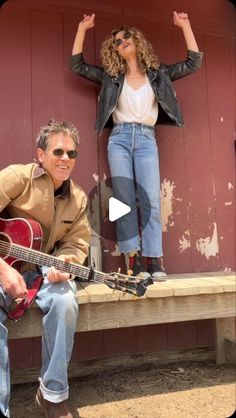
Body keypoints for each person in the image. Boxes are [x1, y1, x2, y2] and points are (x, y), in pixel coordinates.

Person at [69, 11, 203, 281]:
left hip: (145, 139)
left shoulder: (159, 74)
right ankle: (133, 259)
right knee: (124, 201)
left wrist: (185, 25)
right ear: (115, 50)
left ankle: (154, 259)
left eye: (126, 36)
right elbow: (77, 65)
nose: (122, 42)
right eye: (117, 41)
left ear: (137, 41)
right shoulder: (110, 76)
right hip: (118, 139)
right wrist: (83, 28)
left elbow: (194, 63)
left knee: (150, 199)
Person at [0, 120, 90, 418]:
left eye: (72, 153)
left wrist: (67, 264)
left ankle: (52, 394)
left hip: (42, 272)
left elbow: (76, 245)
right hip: (2, 266)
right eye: (59, 151)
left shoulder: (77, 199)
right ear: (41, 154)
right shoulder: (17, 177)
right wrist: (2, 269)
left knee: (65, 300)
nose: (66, 159)